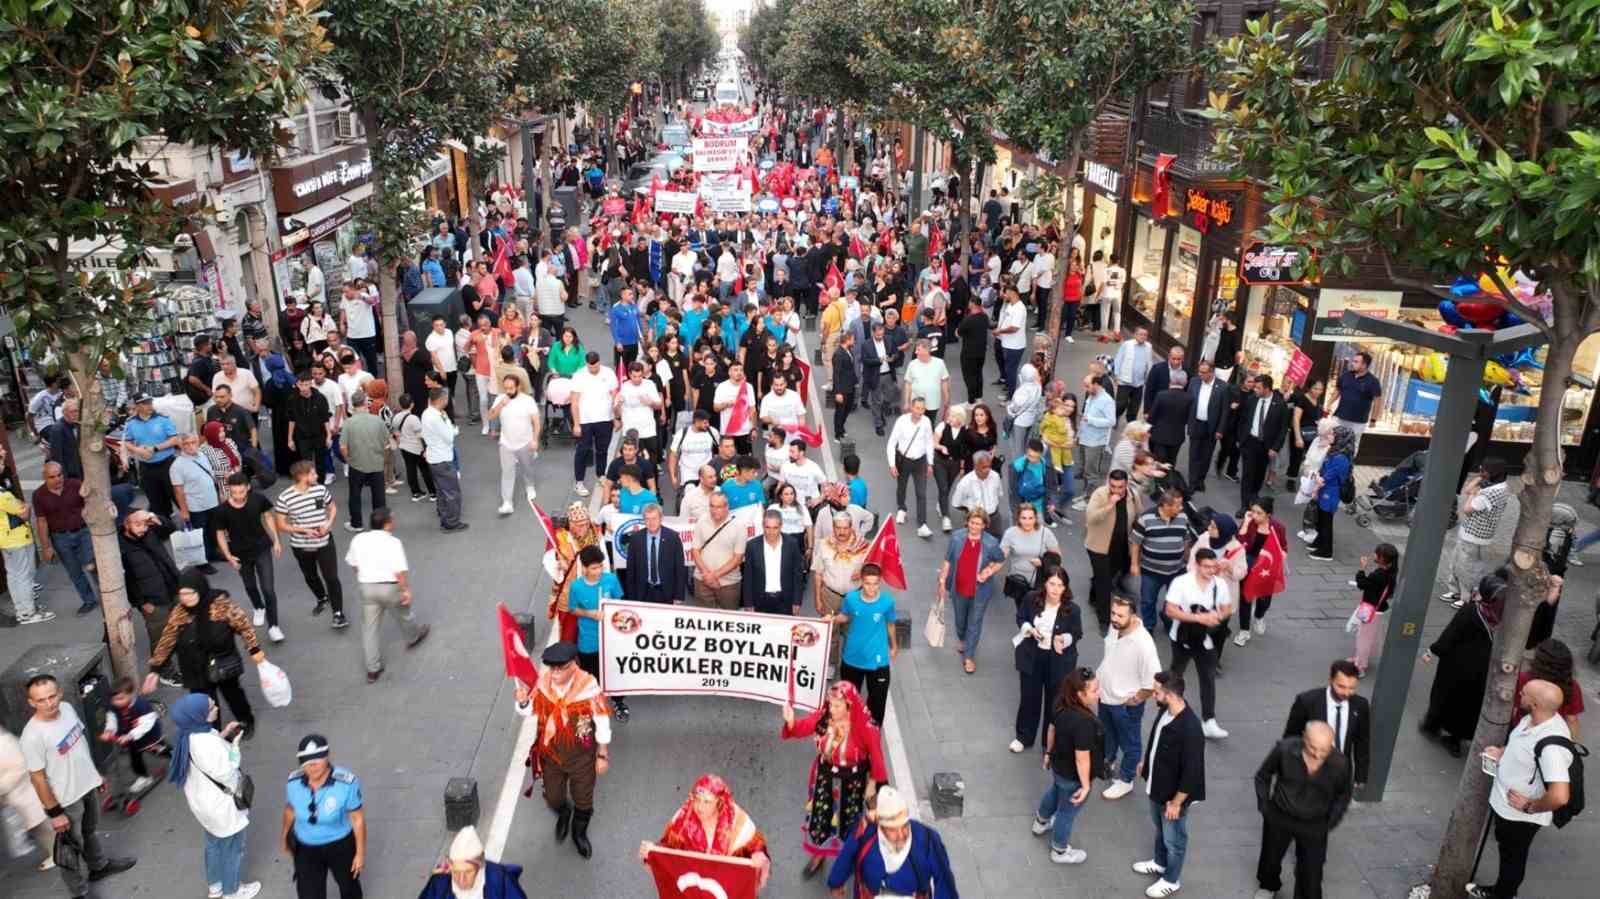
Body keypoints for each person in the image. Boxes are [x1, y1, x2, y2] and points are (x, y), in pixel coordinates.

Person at [21, 674, 138, 895]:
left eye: (52, 696)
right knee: (70, 850)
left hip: (87, 786)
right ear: (31, 703)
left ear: (60, 693)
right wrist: (55, 813)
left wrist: (96, 776)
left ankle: (99, 866)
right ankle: (78, 892)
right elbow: (37, 778)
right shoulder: (32, 736)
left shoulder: (66, 709)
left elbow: (80, 746)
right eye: (41, 700)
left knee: (90, 831)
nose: (49, 703)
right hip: (66, 800)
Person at [1466, 679, 1575, 899]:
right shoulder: (1532, 719)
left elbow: (1560, 796)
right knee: (1508, 850)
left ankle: (1503, 894)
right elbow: (1519, 744)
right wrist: (1502, 751)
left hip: (1519, 817)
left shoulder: (1551, 746)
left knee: (1512, 858)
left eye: (1524, 693)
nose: (1519, 695)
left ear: (1534, 704)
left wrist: (1529, 806)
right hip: (1506, 807)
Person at [781, 681, 887, 876]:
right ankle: (820, 852)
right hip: (826, 777)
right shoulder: (824, 718)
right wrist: (791, 721)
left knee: (850, 822)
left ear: (850, 705)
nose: (832, 709)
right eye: (830, 704)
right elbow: (802, 727)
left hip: (852, 783)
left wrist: (872, 785)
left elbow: (877, 758)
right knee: (821, 817)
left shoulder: (866, 727)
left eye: (837, 706)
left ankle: (852, 857)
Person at [167, 693, 258, 899]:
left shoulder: (188, 736)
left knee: (213, 845)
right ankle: (232, 891)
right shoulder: (207, 743)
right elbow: (228, 770)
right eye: (210, 707)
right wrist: (234, 745)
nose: (216, 707)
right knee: (233, 848)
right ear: (199, 715)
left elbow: (207, 757)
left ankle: (215, 887)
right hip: (221, 806)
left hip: (203, 805)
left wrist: (223, 733)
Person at [1253, 722, 1352, 899]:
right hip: (1281, 814)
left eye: (1324, 750)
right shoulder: (1284, 750)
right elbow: (1263, 776)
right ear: (1304, 739)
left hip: (1315, 822)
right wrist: (1265, 807)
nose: (1318, 754)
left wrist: (1330, 822)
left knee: (1312, 872)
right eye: (1313, 748)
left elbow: (1343, 796)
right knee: (1270, 857)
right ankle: (1268, 885)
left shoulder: (1340, 763)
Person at [1132, 671, 1205, 899]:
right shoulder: (1166, 710)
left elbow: (1192, 771)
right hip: (1158, 785)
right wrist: (1146, 762)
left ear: (1171, 695)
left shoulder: (1190, 729)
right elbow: (1156, 738)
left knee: (1174, 838)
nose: (1153, 695)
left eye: (1157, 692)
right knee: (1160, 827)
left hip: (1173, 795)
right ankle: (1160, 862)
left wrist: (1176, 803)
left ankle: (1171, 879)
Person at [1421, 574, 1504, 756]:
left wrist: (1433, 650)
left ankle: (1433, 725)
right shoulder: (1501, 616)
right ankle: (1456, 739)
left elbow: (1452, 633)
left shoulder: (1472, 611)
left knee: (1444, 695)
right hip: (1482, 669)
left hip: (1456, 664)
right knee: (1468, 704)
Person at [641, 774, 771, 889]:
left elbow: (756, 846)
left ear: (719, 803)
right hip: (693, 889)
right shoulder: (683, 818)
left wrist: (759, 855)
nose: (699, 807)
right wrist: (653, 851)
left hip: (726, 887)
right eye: (697, 799)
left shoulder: (738, 821)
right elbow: (667, 848)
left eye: (707, 802)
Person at [344, 509, 430, 684]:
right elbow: (400, 571)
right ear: (387, 523)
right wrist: (406, 590)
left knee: (369, 629)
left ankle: (372, 669)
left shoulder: (358, 539)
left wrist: (364, 577)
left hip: (367, 588)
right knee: (404, 614)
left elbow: (354, 564)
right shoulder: (393, 542)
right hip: (390, 588)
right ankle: (413, 636)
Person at [827, 785, 959, 898]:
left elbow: (944, 882)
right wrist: (836, 883)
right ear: (881, 826)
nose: (901, 834)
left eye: (904, 826)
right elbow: (848, 855)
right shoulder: (865, 832)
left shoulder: (927, 840)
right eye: (893, 830)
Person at [1030, 667, 1103, 864]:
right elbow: (1082, 758)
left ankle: (1040, 822)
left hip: (1058, 765)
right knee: (1067, 812)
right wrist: (1086, 785)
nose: (1099, 693)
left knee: (1054, 791)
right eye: (1095, 690)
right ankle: (1059, 850)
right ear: (1080, 693)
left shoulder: (1060, 702)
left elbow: (1051, 729)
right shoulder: (1084, 723)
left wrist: (1048, 753)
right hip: (1073, 776)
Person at [282, 734, 366, 898]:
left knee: (349, 888)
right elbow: (290, 810)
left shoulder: (346, 783)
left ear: (327, 757)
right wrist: (284, 836)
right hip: (306, 847)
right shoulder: (293, 783)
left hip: (340, 845)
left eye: (317, 761)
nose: (312, 767)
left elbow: (357, 819)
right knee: (308, 893)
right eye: (307, 763)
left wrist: (360, 853)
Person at [1011, 566, 1083, 751]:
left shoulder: (1072, 609)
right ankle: (1024, 737)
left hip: (1058, 660)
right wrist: (1028, 628)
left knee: (1055, 701)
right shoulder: (1031, 599)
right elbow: (1021, 617)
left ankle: (1048, 742)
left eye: (1060, 585)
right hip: (1032, 655)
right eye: (1052, 583)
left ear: (1065, 588)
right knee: (1029, 698)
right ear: (1045, 583)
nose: (1055, 589)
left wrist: (1064, 639)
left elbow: (1077, 633)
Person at [1164, 548, 1232, 740]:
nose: (1211, 570)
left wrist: (1217, 616)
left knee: (1208, 678)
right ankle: (1168, 708)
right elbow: (1170, 610)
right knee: (1176, 673)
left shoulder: (1220, 584)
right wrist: (1198, 618)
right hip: (1182, 637)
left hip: (1204, 639)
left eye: (1213, 566)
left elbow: (1227, 608)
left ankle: (1208, 720)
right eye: (1206, 567)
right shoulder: (1182, 583)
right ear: (1197, 565)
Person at [275, 460, 350, 629]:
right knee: (310, 576)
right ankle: (322, 597)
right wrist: (303, 530)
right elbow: (281, 524)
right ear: (302, 476)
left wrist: (328, 523)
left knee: (331, 577)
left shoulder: (321, 489)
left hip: (324, 542)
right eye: (313, 474)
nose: (317, 476)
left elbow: (332, 508)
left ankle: (338, 613)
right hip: (301, 546)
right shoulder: (285, 498)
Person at [213, 472, 284, 640]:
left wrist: (276, 540)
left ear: (248, 488)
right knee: (250, 585)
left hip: (261, 548)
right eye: (234, 492)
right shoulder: (222, 510)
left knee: (268, 589)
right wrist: (228, 555)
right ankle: (258, 607)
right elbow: (220, 533)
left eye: (241, 492)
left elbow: (268, 516)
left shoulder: (258, 500)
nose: (238, 496)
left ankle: (274, 626)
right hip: (240, 553)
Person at [938, 509, 1007, 675]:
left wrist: (988, 572)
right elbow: (947, 560)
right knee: (960, 620)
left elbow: (1000, 561)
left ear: (984, 525)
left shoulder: (991, 543)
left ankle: (969, 656)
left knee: (974, 623)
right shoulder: (957, 537)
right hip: (959, 587)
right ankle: (962, 640)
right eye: (972, 522)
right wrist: (942, 581)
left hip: (979, 591)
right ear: (967, 522)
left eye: (978, 523)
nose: (974, 526)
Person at [1440, 459, 1511, 606]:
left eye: (1483, 470)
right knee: (1456, 562)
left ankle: (1466, 597)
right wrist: (1480, 477)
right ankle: (1455, 591)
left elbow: (1467, 509)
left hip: (1475, 536)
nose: (1481, 472)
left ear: (1492, 472)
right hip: (1471, 533)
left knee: (1468, 568)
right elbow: (1467, 489)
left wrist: (1473, 495)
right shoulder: (1497, 485)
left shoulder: (1491, 492)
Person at [33, 462, 100, 615]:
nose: (58, 479)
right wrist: (46, 547)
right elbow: (41, 521)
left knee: (93, 565)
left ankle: (106, 594)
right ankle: (89, 601)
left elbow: (91, 502)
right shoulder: (39, 495)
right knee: (74, 572)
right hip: (60, 538)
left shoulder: (75, 484)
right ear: (44, 477)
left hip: (83, 533)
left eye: (60, 475)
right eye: (52, 477)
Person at [1084, 469, 1143, 628]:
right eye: (1113, 486)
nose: (1116, 490)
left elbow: (1139, 517)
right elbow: (1091, 517)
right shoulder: (1100, 494)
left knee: (1109, 575)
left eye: (1120, 487)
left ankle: (1093, 594)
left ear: (1126, 485)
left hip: (1122, 546)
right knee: (1105, 585)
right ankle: (1104, 620)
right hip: (1099, 547)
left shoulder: (1133, 496)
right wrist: (1110, 504)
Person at [1131, 488, 1192, 632]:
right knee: (1148, 601)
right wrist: (1134, 564)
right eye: (1178, 505)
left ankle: (1167, 616)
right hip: (1151, 571)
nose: (1181, 508)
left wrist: (1187, 559)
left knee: (1174, 600)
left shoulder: (1183, 517)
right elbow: (1135, 543)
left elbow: (1186, 539)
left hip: (1177, 570)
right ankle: (1149, 626)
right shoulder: (1146, 518)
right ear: (1166, 505)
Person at [418, 825, 530, 899]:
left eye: (468, 872)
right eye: (456, 872)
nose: (461, 880)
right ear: (450, 865)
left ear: (480, 866)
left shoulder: (500, 879)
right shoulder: (439, 882)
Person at [1234, 498, 1289, 646]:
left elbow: (1283, 547)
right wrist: (1245, 523)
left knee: (1265, 598)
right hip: (1249, 562)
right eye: (1253, 512)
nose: (1255, 516)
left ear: (1268, 514)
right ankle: (1244, 630)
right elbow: (1238, 544)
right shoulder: (1250, 523)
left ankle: (1259, 616)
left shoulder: (1278, 527)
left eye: (1259, 513)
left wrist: (1281, 556)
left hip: (1267, 566)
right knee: (1245, 598)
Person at [488, 374, 542, 517]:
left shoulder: (528, 400)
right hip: (506, 443)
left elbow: (536, 422)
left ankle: (529, 485)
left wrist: (535, 440)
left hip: (525, 442)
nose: (508, 391)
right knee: (507, 472)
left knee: (527, 467)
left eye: (511, 388)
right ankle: (507, 502)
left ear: (518, 386)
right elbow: (491, 416)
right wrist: (501, 404)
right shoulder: (500, 399)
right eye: (506, 388)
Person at [1235, 374, 1288, 514]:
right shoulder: (1251, 399)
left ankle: (1254, 496)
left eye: (1258, 388)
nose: (1255, 390)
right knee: (1247, 474)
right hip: (1250, 442)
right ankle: (1244, 505)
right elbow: (1243, 419)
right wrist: (1241, 439)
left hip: (1266, 446)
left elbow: (1282, 430)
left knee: (1259, 475)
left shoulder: (1280, 404)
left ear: (1267, 389)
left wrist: (1275, 448)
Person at [170, 432, 221, 572]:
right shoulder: (177, 466)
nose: (191, 446)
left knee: (212, 531)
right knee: (200, 535)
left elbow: (210, 477)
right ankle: (201, 563)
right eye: (186, 443)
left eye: (193, 442)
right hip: (196, 506)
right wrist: (184, 510)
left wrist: (218, 496)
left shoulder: (202, 456)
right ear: (181, 446)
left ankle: (212, 554)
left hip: (212, 502)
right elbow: (178, 491)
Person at [1345, 543, 1399, 675]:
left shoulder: (1378, 575)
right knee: (1370, 636)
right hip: (1379, 609)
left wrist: (1362, 569)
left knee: (1363, 638)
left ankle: (1359, 667)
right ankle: (1360, 658)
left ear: (1381, 558)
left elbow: (1362, 584)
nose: (1374, 554)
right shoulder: (1390, 573)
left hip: (1370, 610)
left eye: (1376, 553)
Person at [124, 392, 182, 515]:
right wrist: (137, 450)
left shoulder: (163, 419)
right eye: (145, 404)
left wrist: (155, 448)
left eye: (150, 402)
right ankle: (165, 528)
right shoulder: (131, 423)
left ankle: (191, 527)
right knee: (156, 502)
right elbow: (127, 442)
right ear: (137, 406)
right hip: (147, 467)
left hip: (167, 464)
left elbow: (175, 439)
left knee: (177, 496)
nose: (149, 406)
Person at [570, 352, 619, 495]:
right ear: (586, 364)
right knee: (583, 451)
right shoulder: (579, 376)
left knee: (602, 450)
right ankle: (579, 482)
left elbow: (614, 396)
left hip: (605, 418)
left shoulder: (608, 373)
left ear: (599, 362)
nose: (593, 369)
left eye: (596, 366)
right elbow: (574, 402)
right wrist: (576, 424)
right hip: (585, 420)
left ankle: (601, 475)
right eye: (591, 367)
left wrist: (616, 418)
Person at [742, 509, 807, 615]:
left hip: (785, 601)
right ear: (763, 526)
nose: (771, 532)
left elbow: (797, 576)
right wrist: (748, 604)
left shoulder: (792, 544)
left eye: (775, 528)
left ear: (781, 526)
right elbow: (748, 577)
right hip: (760, 601)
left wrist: (797, 601)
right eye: (768, 527)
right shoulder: (752, 546)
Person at [888, 396, 936, 537]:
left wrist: (930, 462)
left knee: (921, 493)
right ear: (911, 407)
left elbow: (929, 442)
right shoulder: (901, 421)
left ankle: (922, 524)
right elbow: (891, 443)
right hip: (903, 459)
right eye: (917, 408)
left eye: (922, 409)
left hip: (920, 461)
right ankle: (902, 508)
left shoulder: (926, 422)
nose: (920, 411)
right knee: (901, 486)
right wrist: (892, 465)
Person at [420, 388, 467, 532]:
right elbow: (449, 437)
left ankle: (443, 514)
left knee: (441, 490)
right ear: (441, 400)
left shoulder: (427, 413)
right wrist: (450, 426)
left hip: (434, 457)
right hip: (443, 458)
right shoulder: (437, 417)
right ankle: (451, 523)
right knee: (452, 492)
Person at [1306, 426, 1355, 561]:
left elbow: (1327, 477)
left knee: (1326, 521)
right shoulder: (1336, 452)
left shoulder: (1340, 458)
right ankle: (1320, 542)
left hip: (1331, 493)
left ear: (1341, 438)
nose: (1330, 436)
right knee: (1322, 519)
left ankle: (1326, 551)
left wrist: (1316, 484)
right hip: (1326, 491)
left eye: (1333, 434)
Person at [622, 504, 688, 604]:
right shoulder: (636, 539)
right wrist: (631, 597)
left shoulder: (673, 538)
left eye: (654, 518)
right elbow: (631, 570)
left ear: (661, 519)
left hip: (666, 592)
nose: (651, 522)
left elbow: (680, 568)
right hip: (642, 593)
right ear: (644, 520)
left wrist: (679, 596)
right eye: (647, 519)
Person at [691, 491, 747, 609]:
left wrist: (714, 576)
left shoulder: (739, 526)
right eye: (712, 506)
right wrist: (707, 575)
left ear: (727, 507)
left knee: (729, 621)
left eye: (719, 507)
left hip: (729, 583)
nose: (714, 510)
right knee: (702, 621)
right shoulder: (702, 521)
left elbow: (737, 559)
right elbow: (695, 551)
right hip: (702, 580)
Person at [1327, 351, 1382, 452]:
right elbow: (1338, 391)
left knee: (1352, 446)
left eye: (1356, 362)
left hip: (1358, 421)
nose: (1353, 363)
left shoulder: (1373, 381)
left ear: (1364, 365)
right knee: (1334, 441)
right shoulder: (1345, 376)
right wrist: (1329, 404)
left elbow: (1377, 401)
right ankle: (1332, 465)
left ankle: (1347, 466)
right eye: (1353, 361)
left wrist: (1373, 419)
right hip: (1340, 417)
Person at [1113, 326, 1155, 422]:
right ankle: (1115, 417)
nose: (1143, 337)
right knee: (1121, 404)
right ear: (1135, 335)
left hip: (1139, 382)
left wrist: (1149, 376)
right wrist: (1116, 374)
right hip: (1125, 380)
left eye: (1145, 335)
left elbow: (1149, 362)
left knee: (1135, 406)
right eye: (1141, 334)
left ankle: (1131, 423)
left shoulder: (1148, 346)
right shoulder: (1127, 344)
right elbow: (1119, 359)